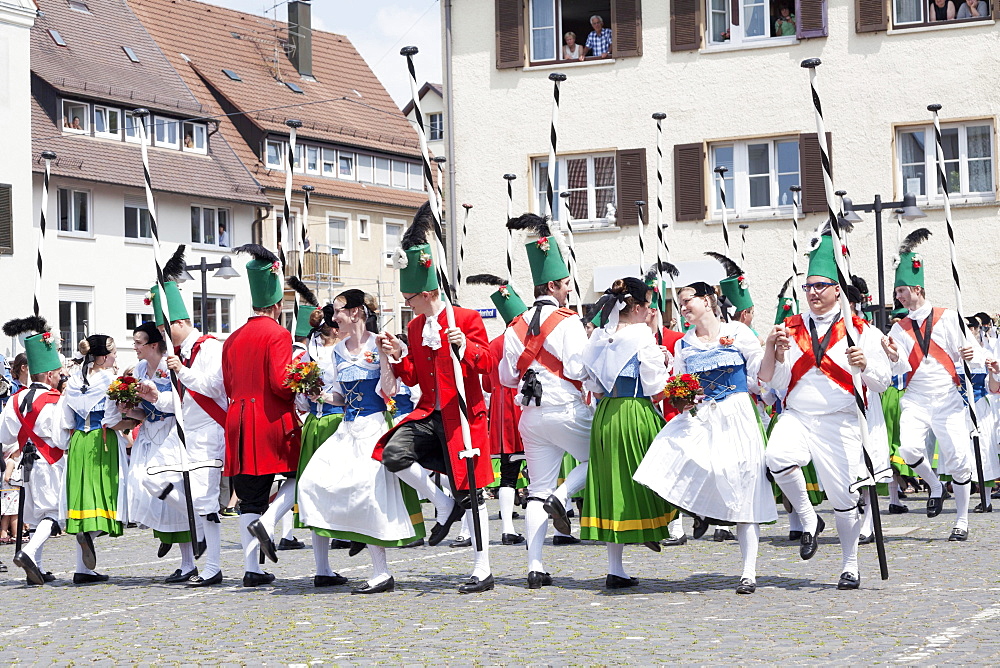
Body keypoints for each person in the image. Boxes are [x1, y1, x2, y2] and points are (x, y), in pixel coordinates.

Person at [374, 203, 496, 594]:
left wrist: (467, 348)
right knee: (393, 454)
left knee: (472, 494)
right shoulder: (413, 325)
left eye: (410, 297)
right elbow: (414, 375)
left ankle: (482, 567)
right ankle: (441, 504)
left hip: (463, 416)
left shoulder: (465, 320)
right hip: (429, 412)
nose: (406, 302)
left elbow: (487, 367)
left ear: (428, 293)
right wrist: (399, 356)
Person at [760, 233, 891, 591]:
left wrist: (865, 365)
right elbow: (773, 380)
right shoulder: (790, 328)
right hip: (798, 415)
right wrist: (778, 353)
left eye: (820, 286)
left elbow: (883, 382)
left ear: (837, 290)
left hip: (841, 419)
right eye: (808, 287)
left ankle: (850, 564)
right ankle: (806, 517)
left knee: (845, 499)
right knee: (776, 457)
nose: (813, 293)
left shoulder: (860, 330)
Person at [636, 282, 776, 594]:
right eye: (680, 304)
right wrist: (682, 397)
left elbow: (761, 375)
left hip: (738, 413)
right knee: (667, 455)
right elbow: (681, 387)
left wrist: (772, 350)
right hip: (704, 416)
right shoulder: (684, 344)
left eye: (687, 302)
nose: (683, 308)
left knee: (745, 487)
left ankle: (748, 572)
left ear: (707, 300)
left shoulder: (737, 331)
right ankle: (700, 510)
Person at [298, 289, 424, 593]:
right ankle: (334, 550)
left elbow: (392, 391)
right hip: (347, 428)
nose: (334, 316)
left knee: (367, 492)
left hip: (374, 426)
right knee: (311, 481)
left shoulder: (381, 342)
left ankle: (381, 572)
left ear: (355, 312)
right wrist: (321, 395)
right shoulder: (337, 350)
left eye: (338, 309)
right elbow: (341, 397)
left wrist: (385, 358)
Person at [499, 213, 591, 590]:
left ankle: (535, 566)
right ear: (553, 285)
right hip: (566, 409)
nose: (569, 290)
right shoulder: (569, 321)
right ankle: (562, 495)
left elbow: (506, 379)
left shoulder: (513, 325)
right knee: (598, 459)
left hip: (530, 416)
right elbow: (579, 367)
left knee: (534, 490)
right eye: (566, 285)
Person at [885, 229, 983, 541]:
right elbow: (899, 367)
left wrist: (970, 354)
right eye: (897, 292)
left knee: (957, 458)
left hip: (946, 397)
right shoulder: (899, 328)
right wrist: (891, 355)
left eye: (902, 291)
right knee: (909, 448)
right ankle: (935, 484)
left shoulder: (948, 317)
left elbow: (972, 352)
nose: (899, 297)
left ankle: (962, 519)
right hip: (915, 398)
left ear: (917, 288)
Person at [582, 278, 675, 589]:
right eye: (647, 305)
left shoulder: (598, 337)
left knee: (612, 487)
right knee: (661, 469)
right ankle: (655, 527)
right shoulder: (642, 336)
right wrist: (664, 360)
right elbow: (656, 388)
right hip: (634, 411)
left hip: (605, 414)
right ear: (636, 307)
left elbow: (590, 382)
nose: (649, 311)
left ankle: (616, 567)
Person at [223, 244, 302, 587]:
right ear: (277, 304)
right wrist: (300, 376)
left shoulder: (232, 338)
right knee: (303, 476)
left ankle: (251, 568)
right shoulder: (278, 334)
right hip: (270, 421)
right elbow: (280, 383)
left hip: (238, 422)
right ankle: (270, 522)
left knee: (248, 499)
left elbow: (228, 384)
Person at [162, 279, 229, 588]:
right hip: (187, 431)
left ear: (179, 322)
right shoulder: (179, 353)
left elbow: (214, 387)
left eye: (165, 329)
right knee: (162, 484)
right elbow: (181, 399)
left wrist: (181, 371)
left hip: (209, 431)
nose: (163, 336)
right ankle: (199, 535)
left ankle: (212, 565)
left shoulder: (210, 347)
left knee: (206, 500)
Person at [124, 319, 201, 583]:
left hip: (171, 433)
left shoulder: (171, 366)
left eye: (138, 342)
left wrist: (156, 398)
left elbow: (183, 403)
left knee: (173, 493)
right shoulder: (140, 368)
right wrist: (130, 410)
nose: (134, 347)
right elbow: (142, 411)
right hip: (149, 434)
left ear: (154, 344)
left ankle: (189, 560)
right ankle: (168, 537)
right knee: (146, 490)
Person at [0, 316, 69, 585]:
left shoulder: (15, 399)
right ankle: (27, 552)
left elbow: (4, 436)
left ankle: (37, 568)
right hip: (49, 460)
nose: (60, 376)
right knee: (53, 514)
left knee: (37, 515)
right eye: (58, 373)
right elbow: (61, 437)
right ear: (49, 374)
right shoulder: (55, 400)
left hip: (25, 463)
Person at [59, 334, 130, 583]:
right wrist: (134, 420)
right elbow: (111, 419)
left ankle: (83, 569)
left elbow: (66, 420)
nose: (115, 357)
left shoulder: (74, 380)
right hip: (103, 440)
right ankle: (91, 536)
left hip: (79, 440)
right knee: (108, 494)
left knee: (82, 498)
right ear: (102, 356)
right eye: (112, 353)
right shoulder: (111, 381)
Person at [467, 273, 531, 546]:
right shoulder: (528, 340)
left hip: (502, 412)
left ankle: (507, 528)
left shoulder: (493, 344)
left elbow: (485, 382)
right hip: (524, 405)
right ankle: (558, 530)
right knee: (539, 471)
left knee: (507, 472)